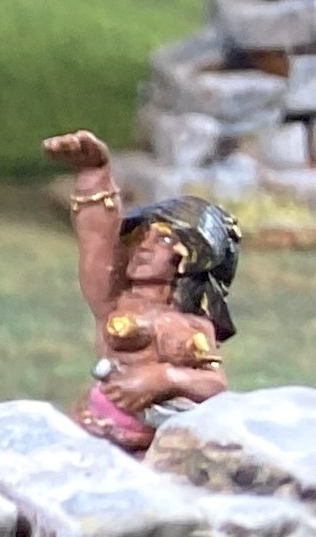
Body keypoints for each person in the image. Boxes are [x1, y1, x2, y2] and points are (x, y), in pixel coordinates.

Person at [41, 128, 240, 452]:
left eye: (163, 239)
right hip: (93, 430)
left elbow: (215, 385)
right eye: (142, 237)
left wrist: (164, 378)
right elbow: (97, 241)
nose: (144, 247)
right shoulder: (114, 299)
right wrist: (94, 176)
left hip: (154, 444)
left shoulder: (193, 325)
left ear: (188, 257)